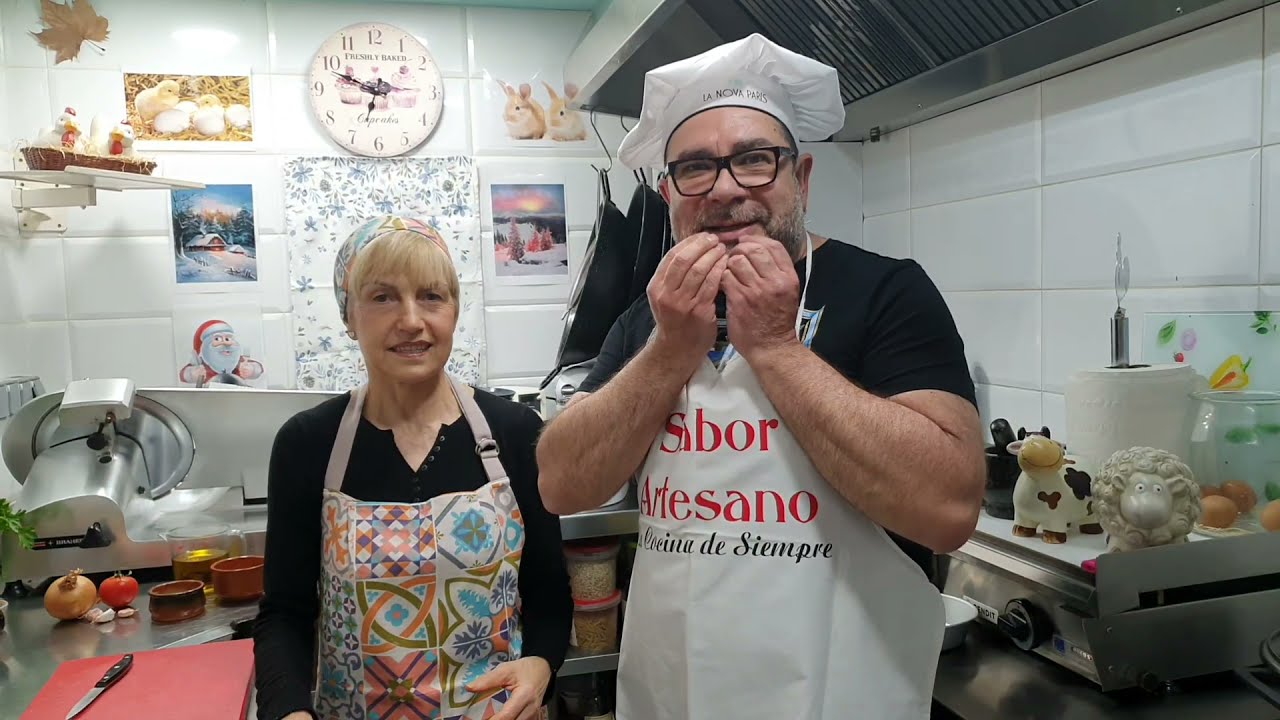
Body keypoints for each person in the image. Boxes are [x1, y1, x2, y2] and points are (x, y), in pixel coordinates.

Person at [536, 35, 986, 719]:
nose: (725, 189)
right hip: (677, 693)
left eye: (753, 159)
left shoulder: (886, 292)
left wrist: (777, 347)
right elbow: (563, 483)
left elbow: (948, 510)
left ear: (801, 178)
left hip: (843, 695)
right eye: (695, 168)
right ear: (670, 194)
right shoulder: (651, 316)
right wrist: (668, 350)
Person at [253, 216, 572, 720]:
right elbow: (284, 614)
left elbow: (548, 592)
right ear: (349, 315)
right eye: (383, 297)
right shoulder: (309, 444)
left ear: (454, 311)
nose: (411, 320)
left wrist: (541, 666)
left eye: (431, 296)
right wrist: (289, 711)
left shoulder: (514, 432)